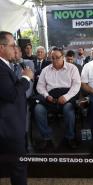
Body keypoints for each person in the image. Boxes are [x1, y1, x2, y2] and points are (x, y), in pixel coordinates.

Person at [0, 31, 33, 185]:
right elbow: (11, 94)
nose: (16, 49)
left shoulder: (6, 66)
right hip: (8, 128)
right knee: (19, 166)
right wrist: (26, 78)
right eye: (13, 45)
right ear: (1, 47)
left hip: (9, 125)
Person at [34, 47, 81, 151]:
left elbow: (76, 85)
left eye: (57, 58)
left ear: (63, 57)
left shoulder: (72, 68)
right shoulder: (45, 70)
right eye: (52, 58)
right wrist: (46, 95)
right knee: (38, 109)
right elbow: (40, 86)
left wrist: (66, 97)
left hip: (67, 96)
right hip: (50, 97)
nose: (54, 60)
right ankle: (47, 137)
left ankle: (70, 137)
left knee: (68, 109)